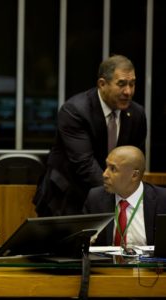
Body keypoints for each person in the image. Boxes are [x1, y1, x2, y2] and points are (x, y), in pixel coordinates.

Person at [33, 55, 147, 216]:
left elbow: (136, 161)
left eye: (132, 84)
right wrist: (116, 194)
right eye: (121, 84)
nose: (128, 91)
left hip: (111, 196)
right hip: (67, 199)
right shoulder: (75, 111)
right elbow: (84, 164)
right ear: (102, 84)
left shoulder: (137, 114)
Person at [83, 146, 166, 246]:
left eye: (113, 169)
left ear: (134, 175)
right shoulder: (95, 198)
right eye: (106, 166)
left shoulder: (162, 199)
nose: (104, 174)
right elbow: (81, 244)